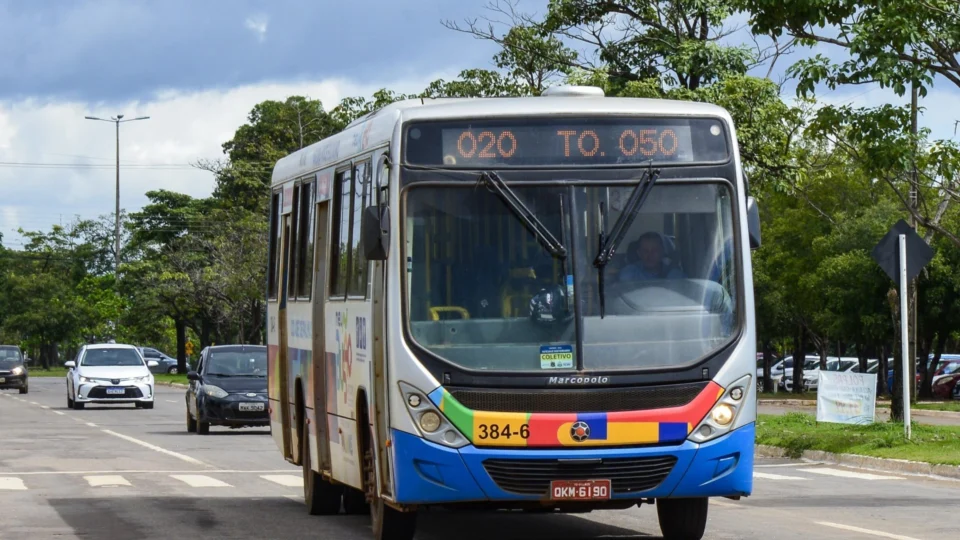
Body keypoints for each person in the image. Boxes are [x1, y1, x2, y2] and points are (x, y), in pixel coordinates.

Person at [618, 231, 685, 282]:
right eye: (645, 251)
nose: (650, 255)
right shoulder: (630, 273)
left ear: (662, 252)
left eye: (654, 250)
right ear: (639, 253)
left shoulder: (675, 276)